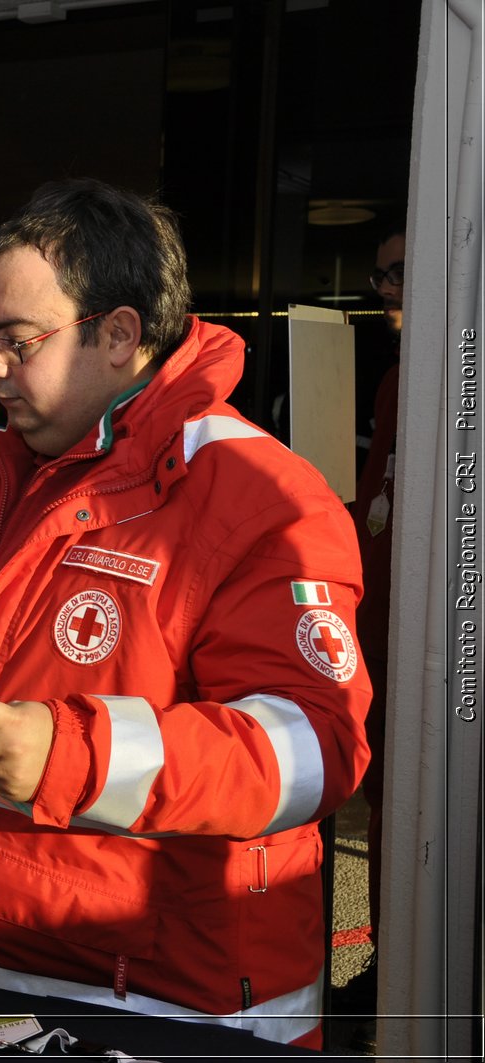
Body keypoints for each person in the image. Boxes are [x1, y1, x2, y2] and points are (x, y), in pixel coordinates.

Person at [0, 178, 371, 1048]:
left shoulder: (258, 494)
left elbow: (313, 751)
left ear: (120, 334)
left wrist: (70, 751)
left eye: (17, 341)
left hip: (163, 1005)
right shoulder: (2, 475)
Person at [334, 224, 404, 1023]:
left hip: (437, 642)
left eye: (402, 274)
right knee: (390, 807)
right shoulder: (393, 385)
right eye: (383, 277)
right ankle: (388, 964)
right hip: (383, 629)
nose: (388, 292)